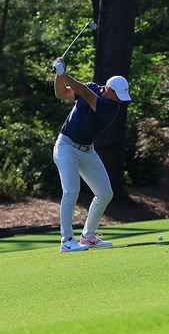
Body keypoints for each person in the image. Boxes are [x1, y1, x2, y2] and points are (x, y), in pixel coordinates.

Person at [52, 57, 131, 251]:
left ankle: (88, 236)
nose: (121, 100)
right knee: (71, 190)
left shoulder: (111, 108)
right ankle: (67, 241)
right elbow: (61, 93)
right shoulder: (93, 88)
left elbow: (85, 93)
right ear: (109, 89)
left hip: (87, 151)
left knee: (105, 193)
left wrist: (64, 73)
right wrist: (58, 75)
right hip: (66, 147)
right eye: (118, 95)